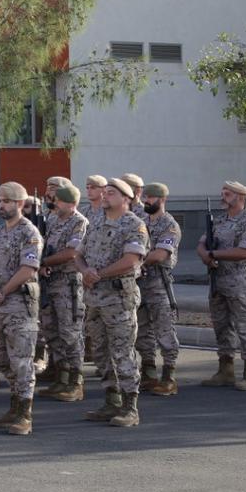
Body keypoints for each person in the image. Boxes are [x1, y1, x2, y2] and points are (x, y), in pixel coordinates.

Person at [75, 177, 149, 426]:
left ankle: (130, 407)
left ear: (126, 198)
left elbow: (131, 260)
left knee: (122, 352)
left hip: (119, 299)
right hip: (94, 298)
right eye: (104, 192)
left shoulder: (134, 225)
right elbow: (78, 254)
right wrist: (85, 271)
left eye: (111, 193)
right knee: (100, 352)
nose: (105, 196)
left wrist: (99, 274)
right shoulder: (96, 222)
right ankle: (111, 401)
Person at [0, 183, 43, 434]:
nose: (1, 205)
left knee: (22, 361)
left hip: (19, 306)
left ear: (20, 204)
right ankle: (15, 407)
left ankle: (24, 414)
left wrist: (4, 291)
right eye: (0, 200)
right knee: (4, 361)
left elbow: (28, 268)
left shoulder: (29, 232)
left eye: (6, 201)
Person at [198, 180, 246, 391]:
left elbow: (244, 252)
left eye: (228, 194)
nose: (223, 196)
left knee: (244, 326)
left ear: (241, 197)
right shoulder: (219, 220)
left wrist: (213, 254)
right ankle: (225, 370)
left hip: (239, 280)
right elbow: (202, 242)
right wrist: (205, 255)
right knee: (221, 326)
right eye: (223, 193)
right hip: (218, 279)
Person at [39, 183, 91, 402]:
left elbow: (72, 253)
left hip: (68, 284)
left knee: (70, 333)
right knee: (52, 331)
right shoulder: (52, 220)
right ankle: (61, 377)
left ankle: (75, 382)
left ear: (71, 203)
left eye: (59, 200)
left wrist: (44, 262)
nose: (55, 203)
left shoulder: (79, 222)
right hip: (51, 282)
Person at [137, 183, 182, 396]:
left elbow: (160, 254)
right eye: (145, 197)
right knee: (142, 330)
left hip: (158, 284)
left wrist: (135, 260)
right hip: (140, 283)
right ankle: (148, 373)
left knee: (165, 330)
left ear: (162, 200)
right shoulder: (142, 222)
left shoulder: (169, 225)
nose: (146, 200)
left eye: (150, 197)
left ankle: (169, 377)